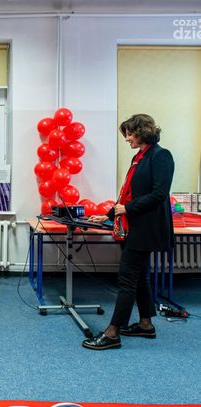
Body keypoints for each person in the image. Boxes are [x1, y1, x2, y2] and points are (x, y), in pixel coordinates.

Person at [83, 114, 175, 350]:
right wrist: (108, 214)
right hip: (134, 226)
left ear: (142, 132)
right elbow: (128, 194)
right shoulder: (139, 157)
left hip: (146, 228)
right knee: (140, 276)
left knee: (127, 279)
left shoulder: (161, 155)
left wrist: (128, 209)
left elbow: (159, 194)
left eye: (130, 134)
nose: (127, 139)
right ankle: (145, 324)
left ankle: (112, 332)